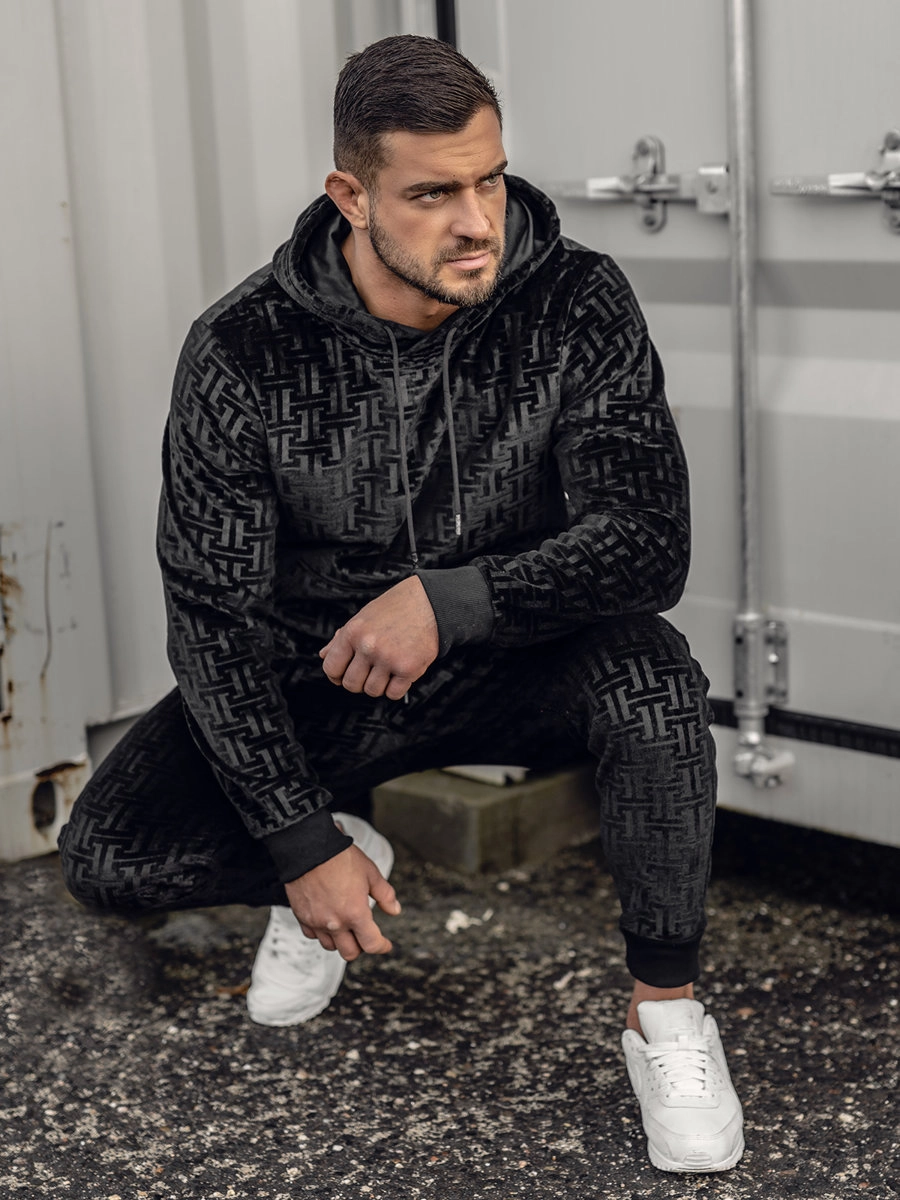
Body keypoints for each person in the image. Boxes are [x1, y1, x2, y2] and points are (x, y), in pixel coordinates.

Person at [59, 34, 744, 1173]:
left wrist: (455, 600)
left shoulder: (574, 298)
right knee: (108, 857)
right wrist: (297, 840)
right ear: (352, 196)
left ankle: (665, 1017)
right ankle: (335, 858)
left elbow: (648, 542)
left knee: (656, 678)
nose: (478, 223)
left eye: (490, 180)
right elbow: (213, 619)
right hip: (325, 677)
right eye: (432, 194)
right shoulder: (243, 349)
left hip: (520, 654)